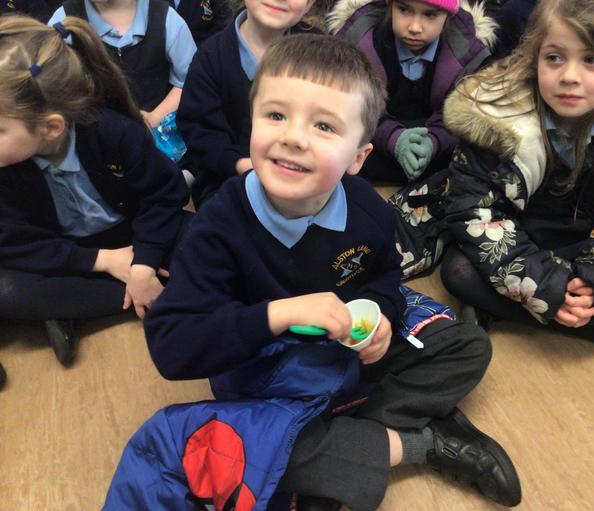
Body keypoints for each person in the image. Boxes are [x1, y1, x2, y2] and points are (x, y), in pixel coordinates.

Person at [142, 34, 522, 510]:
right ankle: (418, 443)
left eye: (323, 125)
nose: (293, 137)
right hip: (264, 377)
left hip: (345, 350)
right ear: (251, 123)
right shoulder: (217, 227)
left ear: (358, 158)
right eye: (275, 115)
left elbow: (385, 279)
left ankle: (344, 445)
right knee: (230, 450)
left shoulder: (369, 210)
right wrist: (277, 314)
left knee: (467, 345)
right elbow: (171, 346)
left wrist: (382, 317)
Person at [390, 0, 594, 361]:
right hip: (518, 227)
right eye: (554, 58)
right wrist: (547, 288)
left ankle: (503, 307)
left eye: (591, 60)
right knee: (459, 273)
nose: (569, 76)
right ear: (535, 55)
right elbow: (475, 213)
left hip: (589, 233)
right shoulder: (495, 112)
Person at [0, 15, 190, 366]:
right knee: (6, 291)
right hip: (70, 254)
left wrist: (144, 263)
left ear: (51, 127)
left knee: (206, 237)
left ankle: (89, 305)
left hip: (135, 234)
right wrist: (103, 261)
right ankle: (153, 293)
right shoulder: (6, 167)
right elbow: (14, 242)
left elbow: (165, 195)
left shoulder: (112, 132)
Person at [327, 0, 494, 184]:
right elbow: (351, 106)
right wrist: (393, 138)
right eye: (404, 9)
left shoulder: (468, 54)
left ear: (447, 16)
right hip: (369, 154)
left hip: (438, 162)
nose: (414, 27)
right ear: (390, 5)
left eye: (430, 15)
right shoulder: (360, 42)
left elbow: (464, 113)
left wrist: (434, 141)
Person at [176, 0, 320, 207]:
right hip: (226, 180)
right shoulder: (211, 57)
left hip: (306, 177)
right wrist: (241, 164)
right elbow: (199, 130)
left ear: (308, 4)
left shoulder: (322, 54)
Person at [48, 0, 197, 129]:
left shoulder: (165, 18)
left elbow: (190, 81)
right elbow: (48, 84)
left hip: (150, 137)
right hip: (91, 135)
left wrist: (155, 117)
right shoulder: (64, 20)